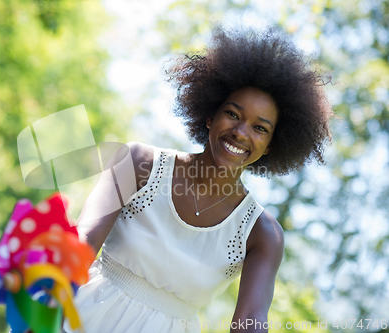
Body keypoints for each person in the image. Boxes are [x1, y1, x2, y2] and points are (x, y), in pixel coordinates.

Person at [62, 26, 333, 333]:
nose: (241, 132)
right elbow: (81, 245)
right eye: (233, 114)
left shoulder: (263, 234)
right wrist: (38, 311)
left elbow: (251, 323)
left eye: (260, 128)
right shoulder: (137, 163)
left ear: (270, 146)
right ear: (209, 116)